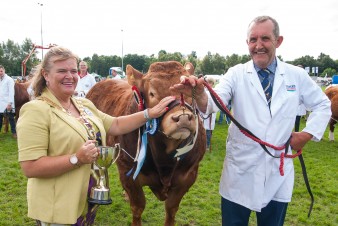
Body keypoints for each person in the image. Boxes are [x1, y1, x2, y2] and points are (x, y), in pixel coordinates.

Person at [171, 15, 331, 226]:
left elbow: (323, 104)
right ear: (247, 43)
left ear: (278, 41)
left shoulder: (296, 76)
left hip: (277, 173)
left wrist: (307, 134)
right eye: (253, 40)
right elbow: (213, 101)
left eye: (265, 38)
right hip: (240, 173)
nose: (258, 45)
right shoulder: (236, 74)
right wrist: (199, 93)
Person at [16, 46, 175, 225]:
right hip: (58, 205)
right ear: (45, 74)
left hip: (86, 198)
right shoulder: (35, 110)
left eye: (73, 70)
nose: (70, 76)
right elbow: (30, 167)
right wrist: (76, 158)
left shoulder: (83, 105)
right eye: (62, 71)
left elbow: (115, 124)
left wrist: (150, 113)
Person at [0, 65, 17, 138]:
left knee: (11, 119)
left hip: (7, 102)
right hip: (0, 103)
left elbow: (11, 92)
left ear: (4, 71)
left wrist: (10, 103)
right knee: (0, 119)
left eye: (1, 71)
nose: (0, 73)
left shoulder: (9, 79)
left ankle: (14, 133)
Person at [201, 77, 217, 151]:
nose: (209, 84)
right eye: (208, 82)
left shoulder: (215, 91)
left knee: (208, 131)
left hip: (211, 113)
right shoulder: (203, 91)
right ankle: (201, 143)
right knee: (202, 129)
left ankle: (207, 145)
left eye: (211, 83)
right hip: (203, 113)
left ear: (213, 84)